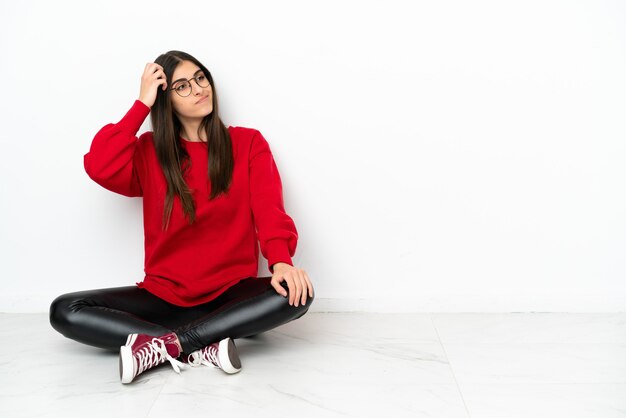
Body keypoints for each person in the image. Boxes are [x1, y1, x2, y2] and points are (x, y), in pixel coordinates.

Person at [49, 50, 314, 384]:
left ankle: (166, 344)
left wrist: (281, 263)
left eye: (201, 78)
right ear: (166, 100)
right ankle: (204, 345)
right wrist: (141, 104)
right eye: (183, 87)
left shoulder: (247, 143)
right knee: (64, 310)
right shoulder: (149, 152)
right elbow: (98, 165)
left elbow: (269, 210)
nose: (199, 89)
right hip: (163, 297)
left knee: (296, 293)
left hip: (229, 296)